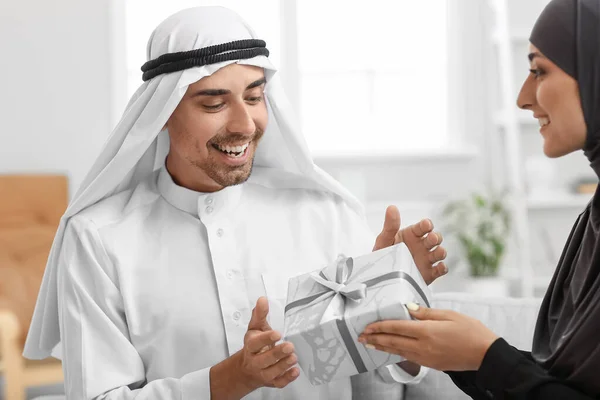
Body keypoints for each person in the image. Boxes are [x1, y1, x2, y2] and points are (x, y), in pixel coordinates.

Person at [23, 7, 448, 400]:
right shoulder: (99, 239)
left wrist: (391, 304)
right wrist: (232, 378)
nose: (245, 125)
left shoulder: (324, 212)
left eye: (253, 97)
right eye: (214, 103)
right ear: (163, 111)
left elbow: (381, 382)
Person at [358, 0, 600, 398]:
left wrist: (487, 358)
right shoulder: (593, 218)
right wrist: (454, 352)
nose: (523, 98)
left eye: (539, 71)